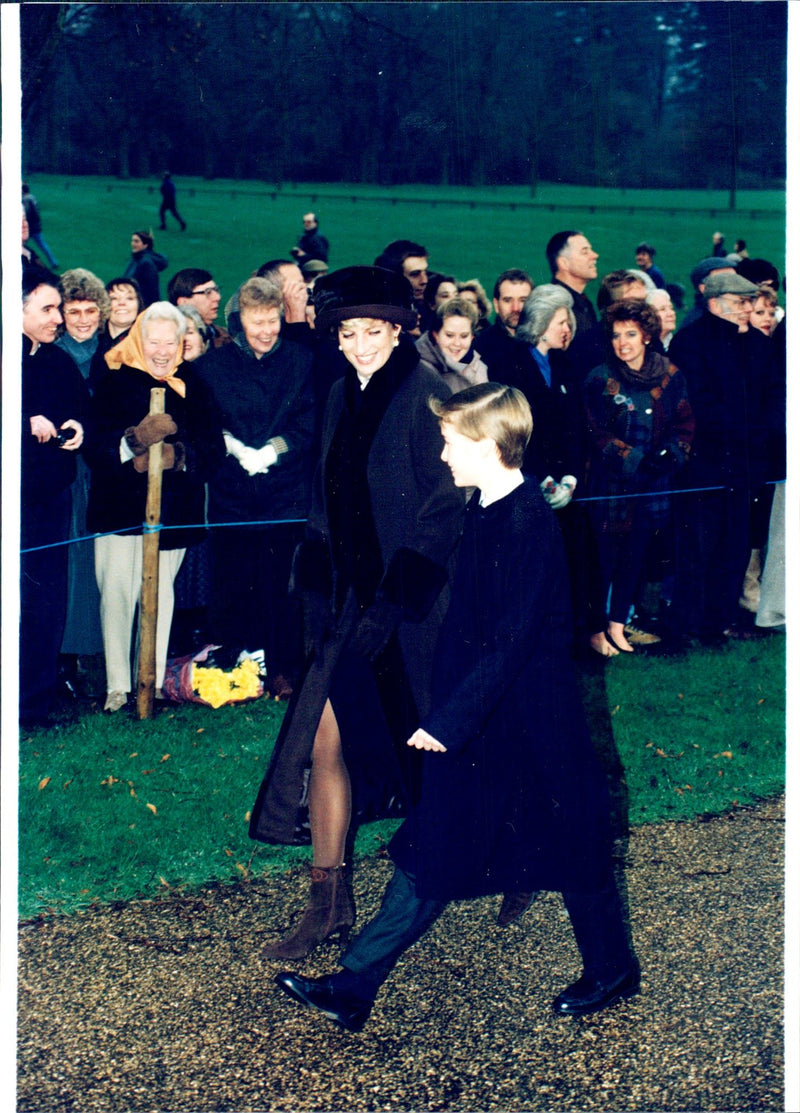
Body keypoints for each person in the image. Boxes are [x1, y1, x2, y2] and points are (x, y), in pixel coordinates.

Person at [273, 382, 639, 1031]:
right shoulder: (487, 509)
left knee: (573, 843)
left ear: (489, 445)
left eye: (450, 441)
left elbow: (512, 639)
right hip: (486, 719)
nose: (442, 455)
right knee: (437, 842)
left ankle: (611, 968)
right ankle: (354, 986)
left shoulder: (527, 522)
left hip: (527, 725)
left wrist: (447, 721)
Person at [249, 265, 464, 959]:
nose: (361, 344)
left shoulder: (429, 395)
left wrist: (397, 601)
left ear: (400, 330)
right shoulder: (341, 394)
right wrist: (314, 579)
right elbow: (326, 495)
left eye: (374, 331)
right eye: (348, 332)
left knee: (444, 755)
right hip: (348, 609)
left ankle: (511, 861)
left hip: (414, 613)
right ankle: (328, 902)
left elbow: (445, 506)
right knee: (322, 744)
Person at [85, 302, 224, 711]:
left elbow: (213, 451)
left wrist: (177, 457)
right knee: (117, 594)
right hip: (118, 511)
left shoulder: (194, 385)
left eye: (171, 342)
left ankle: (153, 679)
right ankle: (117, 687)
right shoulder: (112, 381)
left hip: (172, 513)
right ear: (138, 340)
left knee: (159, 595)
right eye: (154, 341)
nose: (163, 351)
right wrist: (133, 444)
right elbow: (94, 445)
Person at [193, 278, 316, 698]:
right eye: (256, 322)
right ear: (238, 320)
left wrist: (272, 451)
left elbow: (307, 422)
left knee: (281, 585)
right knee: (233, 581)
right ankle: (233, 665)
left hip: (285, 494)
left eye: (272, 321)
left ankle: (283, 668)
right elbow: (205, 421)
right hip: (232, 494)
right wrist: (234, 447)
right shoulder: (212, 367)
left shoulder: (301, 361)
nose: (266, 330)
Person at [583, 301, 694, 655]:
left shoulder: (670, 375)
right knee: (605, 559)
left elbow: (685, 424)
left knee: (636, 555)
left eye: (630, 334)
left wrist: (670, 457)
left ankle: (618, 626)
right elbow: (594, 432)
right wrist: (632, 460)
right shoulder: (600, 378)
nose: (622, 343)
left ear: (646, 335)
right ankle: (597, 630)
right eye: (616, 335)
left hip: (654, 484)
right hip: (613, 485)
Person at [666, 272, 770, 645]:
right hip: (703, 466)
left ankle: (718, 624)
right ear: (715, 303)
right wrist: (748, 430)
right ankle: (683, 626)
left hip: (744, 466)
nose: (748, 310)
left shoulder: (757, 343)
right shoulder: (690, 343)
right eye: (741, 303)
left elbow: (771, 396)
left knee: (735, 545)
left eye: (749, 303)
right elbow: (698, 405)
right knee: (697, 549)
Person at [20, 266, 89, 728]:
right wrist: (24, 420)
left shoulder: (57, 360)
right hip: (15, 505)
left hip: (53, 501)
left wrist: (79, 426)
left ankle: (35, 703)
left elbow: (81, 408)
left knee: (47, 602)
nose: (57, 319)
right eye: (46, 309)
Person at [55, 269, 111, 691]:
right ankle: (68, 655)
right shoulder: (51, 354)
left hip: (104, 469)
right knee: (72, 559)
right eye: (74, 311)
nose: (83, 319)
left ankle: (98, 653)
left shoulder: (111, 354)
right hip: (65, 473)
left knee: (100, 562)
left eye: (90, 309)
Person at [415, 296, 488, 393]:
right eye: (449, 335)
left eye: (464, 336)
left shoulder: (478, 369)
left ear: (472, 337)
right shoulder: (420, 369)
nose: (457, 343)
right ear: (436, 335)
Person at [474, 268, 533, 376]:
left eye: (523, 300)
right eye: (508, 300)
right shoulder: (481, 347)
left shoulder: (543, 343)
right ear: (496, 305)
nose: (516, 308)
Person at [545, 230, 599, 337]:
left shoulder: (581, 301)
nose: (595, 255)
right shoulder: (555, 307)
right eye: (585, 252)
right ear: (564, 263)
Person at [167, 268, 230, 347]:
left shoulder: (228, 337)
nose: (217, 297)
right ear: (183, 303)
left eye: (216, 290)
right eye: (208, 292)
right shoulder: (169, 347)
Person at [123, 230, 168, 307]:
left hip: (143, 305)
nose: (133, 244)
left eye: (136, 241)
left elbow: (152, 289)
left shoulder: (146, 263)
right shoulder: (136, 259)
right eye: (132, 241)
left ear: (145, 245)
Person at [22, 182, 59, 268]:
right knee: (43, 245)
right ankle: (54, 262)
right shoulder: (32, 197)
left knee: (20, 245)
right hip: (36, 226)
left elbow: (27, 213)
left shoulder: (25, 199)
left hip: (30, 227)